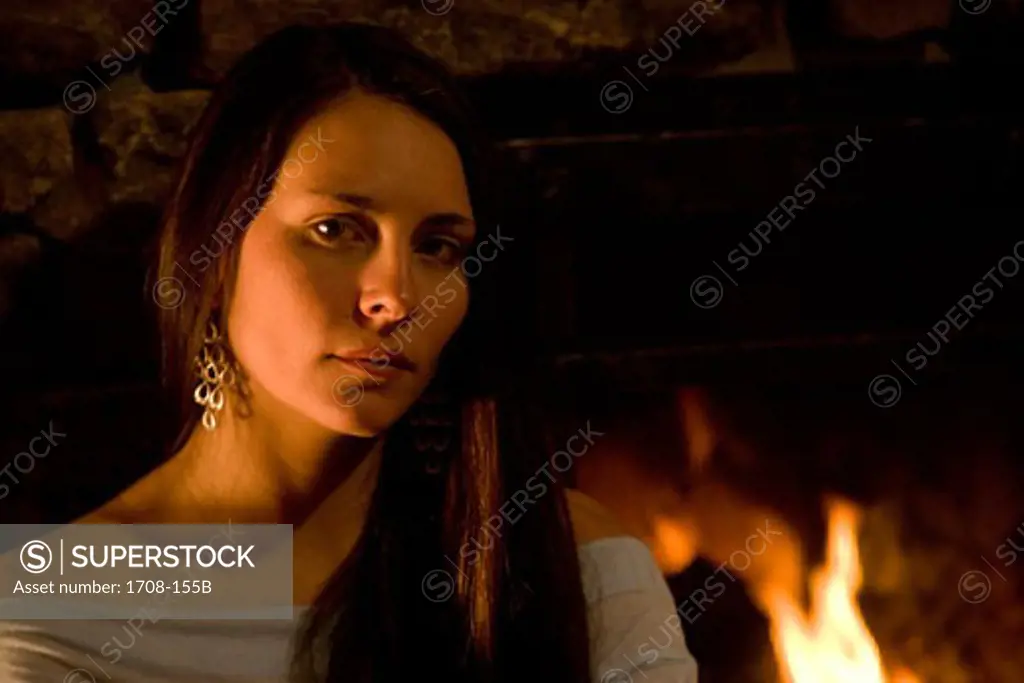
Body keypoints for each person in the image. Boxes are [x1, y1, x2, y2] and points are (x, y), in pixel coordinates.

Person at [0, 22, 698, 683]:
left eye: (437, 247)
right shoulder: (58, 600)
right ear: (211, 256)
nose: (396, 296)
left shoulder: (566, 561)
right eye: (336, 229)